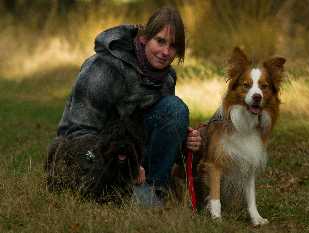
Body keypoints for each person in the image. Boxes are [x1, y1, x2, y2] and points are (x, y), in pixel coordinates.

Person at [46, 6, 201, 206]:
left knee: (175, 110)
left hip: (130, 160)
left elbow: (156, 133)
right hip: (89, 155)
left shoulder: (167, 77)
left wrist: (184, 140)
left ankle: (155, 190)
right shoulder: (103, 68)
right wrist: (127, 164)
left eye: (173, 46)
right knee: (122, 197)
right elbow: (76, 132)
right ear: (145, 38)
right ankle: (132, 193)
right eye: (160, 41)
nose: (165, 52)